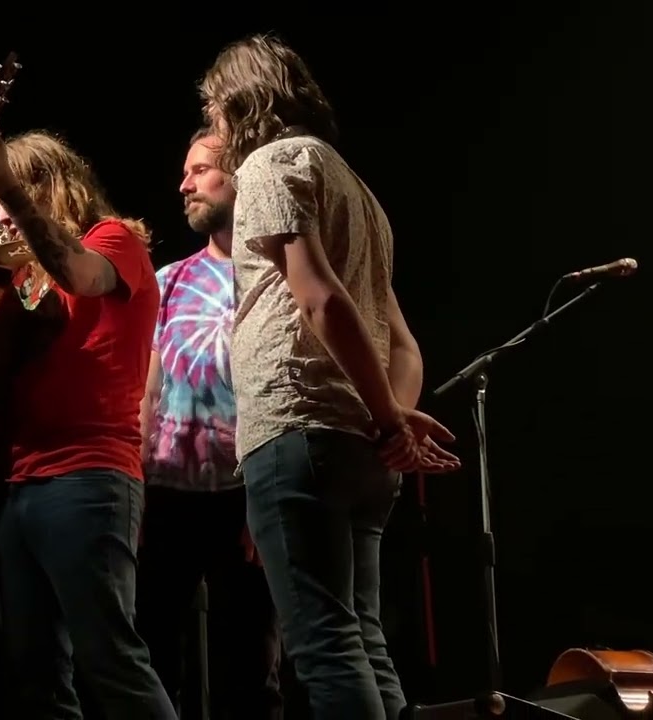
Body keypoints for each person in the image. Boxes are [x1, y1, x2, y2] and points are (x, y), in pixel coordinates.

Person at [198, 35, 462, 720]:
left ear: (240, 101)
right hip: (361, 449)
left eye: (215, 110)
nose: (214, 129)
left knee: (322, 645)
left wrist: (387, 420)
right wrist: (393, 423)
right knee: (363, 638)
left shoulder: (270, 164)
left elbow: (319, 298)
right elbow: (402, 342)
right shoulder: (358, 192)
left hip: (300, 429)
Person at [0, 127, 177, 718]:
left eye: (9, 209)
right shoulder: (22, 279)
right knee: (34, 673)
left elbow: (81, 277)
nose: (4, 226)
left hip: (88, 478)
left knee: (109, 660)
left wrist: (5, 185)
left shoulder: (113, 242)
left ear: (46, 187)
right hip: (20, 481)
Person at [135, 127, 283, 720]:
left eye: (199, 171)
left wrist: (264, 502)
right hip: (168, 493)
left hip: (243, 495)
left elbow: (279, 392)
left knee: (248, 673)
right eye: (185, 170)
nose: (184, 184)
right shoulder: (167, 282)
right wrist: (136, 488)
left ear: (238, 177)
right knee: (152, 660)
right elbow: (145, 395)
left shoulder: (274, 279)